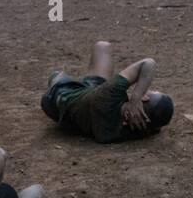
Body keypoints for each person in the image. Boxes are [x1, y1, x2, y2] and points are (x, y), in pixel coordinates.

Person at [42, 41, 173, 143]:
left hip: (60, 97)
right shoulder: (133, 130)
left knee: (56, 74)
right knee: (102, 47)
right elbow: (158, 123)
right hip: (89, 100)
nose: (146, 90)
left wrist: (135, 99)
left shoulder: (109, 97)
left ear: (144, 100)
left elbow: (148, 63)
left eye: (149, 92)